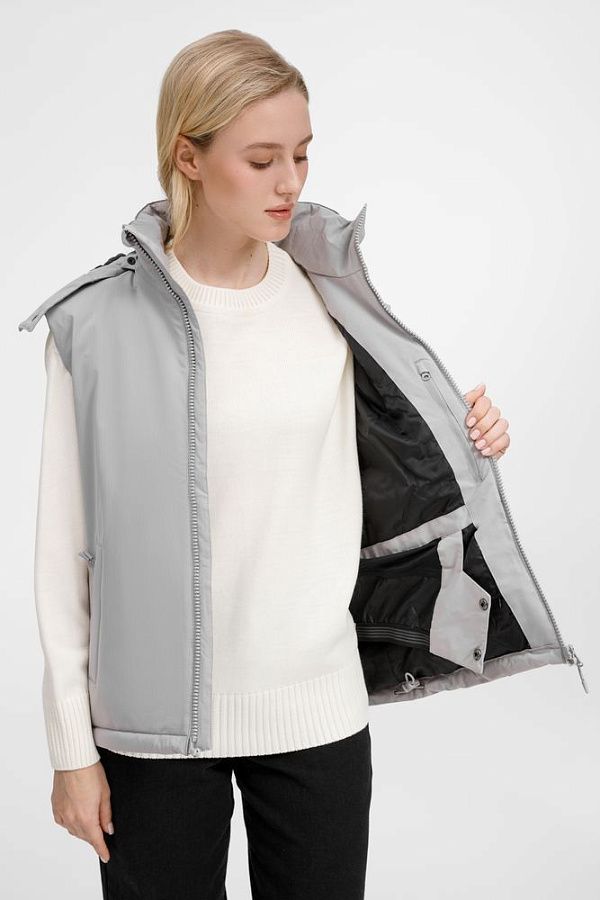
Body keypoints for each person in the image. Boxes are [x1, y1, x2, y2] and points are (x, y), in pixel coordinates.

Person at [26, 29, 517, 900]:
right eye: (261, 160)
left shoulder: (333, 297)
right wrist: (71, 749)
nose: (291, 182)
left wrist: (469, 434)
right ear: (188, 156)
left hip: (318, 713)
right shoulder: (94, 326)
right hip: (152, 733)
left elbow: (394, 457)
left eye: (301, 154)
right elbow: (65, 555)